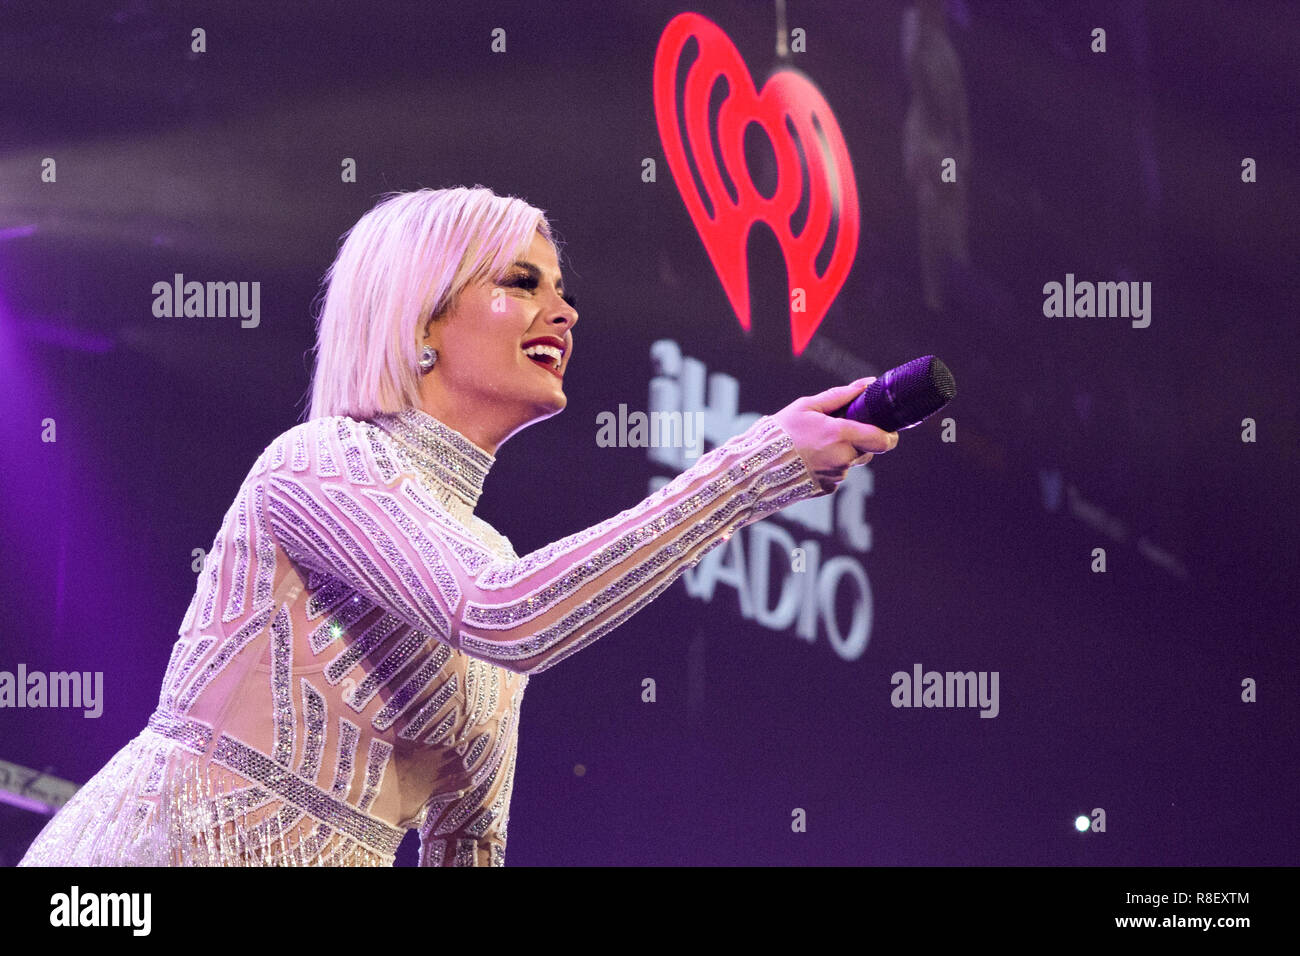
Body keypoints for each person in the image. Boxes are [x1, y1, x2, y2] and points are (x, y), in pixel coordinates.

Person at [18, 185, 899, 867]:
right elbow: (508, 617)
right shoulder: (321, 460)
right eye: (520, 283)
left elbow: (467, 846)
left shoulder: (488, 556)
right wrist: (747, 472)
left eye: (560, 288)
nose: (565, 311)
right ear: (421, 320)